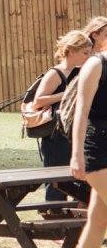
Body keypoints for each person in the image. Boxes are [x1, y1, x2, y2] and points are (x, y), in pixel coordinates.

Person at [67, 34, 107, 248]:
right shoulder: (96, 65)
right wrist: (76, 153)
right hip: (97, 150)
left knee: (98, 218)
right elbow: (80, 111)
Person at [32, 30, 91, 203]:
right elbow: (38, 101)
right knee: (55, 181)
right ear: (72, 51)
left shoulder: (80, 72)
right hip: (55, 137)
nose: (89, 57)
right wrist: (69, 94)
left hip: (73, 133)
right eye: (85, 53)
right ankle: (53, 213)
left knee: (77, 178)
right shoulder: (56, 73)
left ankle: (73, 216)